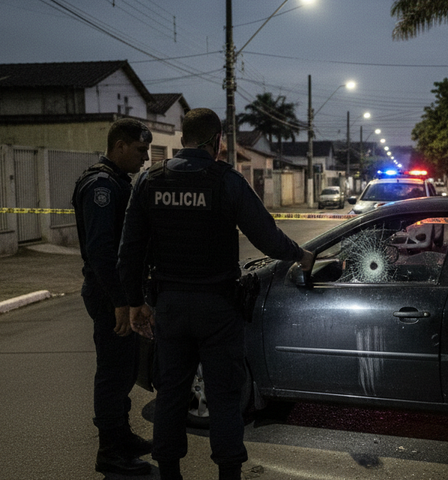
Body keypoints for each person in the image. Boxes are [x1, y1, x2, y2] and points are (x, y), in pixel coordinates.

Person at [117, 108, 314, 480]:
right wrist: (300, 255)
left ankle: (170, 472)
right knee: (224, 397)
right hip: (217, 308)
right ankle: (228, 474)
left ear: (181, 140)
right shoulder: (227, 180)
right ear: (218, 142)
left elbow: (129, 249)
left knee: (171, 396)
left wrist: (135, 302)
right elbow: (267, 237)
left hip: (170, 306)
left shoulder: (149, 180)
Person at [71, 119, 154, 476]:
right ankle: (110, 451)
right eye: (140, 150)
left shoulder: (117, 181)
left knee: (123, 370)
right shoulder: (101, 186)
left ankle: (122, 435)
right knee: (113, 371)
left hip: (118, 292)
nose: (146, 157)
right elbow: (102, 251)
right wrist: (121, 300)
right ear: (119, 146)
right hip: (109, 294)